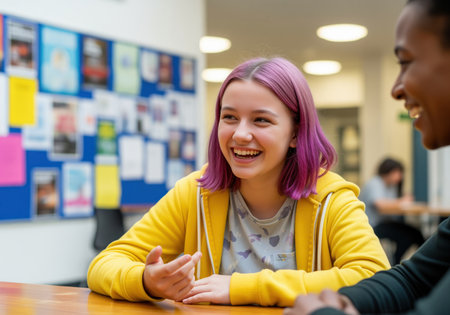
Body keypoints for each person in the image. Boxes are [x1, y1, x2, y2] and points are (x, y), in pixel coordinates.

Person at [87, 57, 390, 307]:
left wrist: (240, 287)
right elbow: (105, 264)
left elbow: (374, 278)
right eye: (229, 117)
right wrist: (146, 281)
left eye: (261, 120)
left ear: (296, 133)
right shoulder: (195, 192)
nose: (240, 134)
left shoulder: (332, 199)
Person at [284, 0, 450, 314]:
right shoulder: (195, 188)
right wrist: (345, 301)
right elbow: (414, 279)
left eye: (406, 62)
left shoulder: (333, 194)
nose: (396, 89)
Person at [360, 157, 424, 264]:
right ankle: (396, 264)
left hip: (385, 222)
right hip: (372, 225)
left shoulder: (391, 186)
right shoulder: (375, 183)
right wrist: (402, 201)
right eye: (397, 173)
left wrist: (401, 201)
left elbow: (392, 205)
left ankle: (401, 263)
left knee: (415, 233)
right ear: (388, 172)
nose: (400, 177)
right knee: (406, 236)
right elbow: (381, 206)